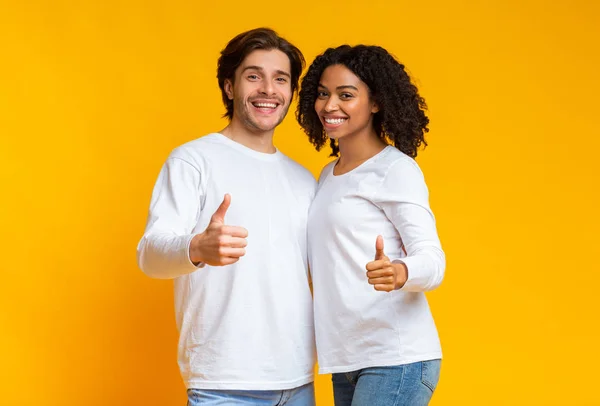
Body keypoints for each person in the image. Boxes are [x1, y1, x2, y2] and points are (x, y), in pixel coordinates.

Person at [137, 28, 317, 405]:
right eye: (253, 76)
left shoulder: (304, 180)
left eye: (280, 79)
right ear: (230, 87)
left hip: (298, 380)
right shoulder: (193, 160)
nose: (268, 89)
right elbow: (149, 256)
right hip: (223, 383)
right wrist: (197, 248)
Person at [297, 45, 446, 406]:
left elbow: (434, 259)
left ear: (376, 102)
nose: (329, 106)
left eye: (346, 95)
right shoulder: (327, 176)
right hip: (347, 358)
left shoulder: (395, 169)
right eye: (322, 94)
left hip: (395, 356)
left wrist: (400, 270)